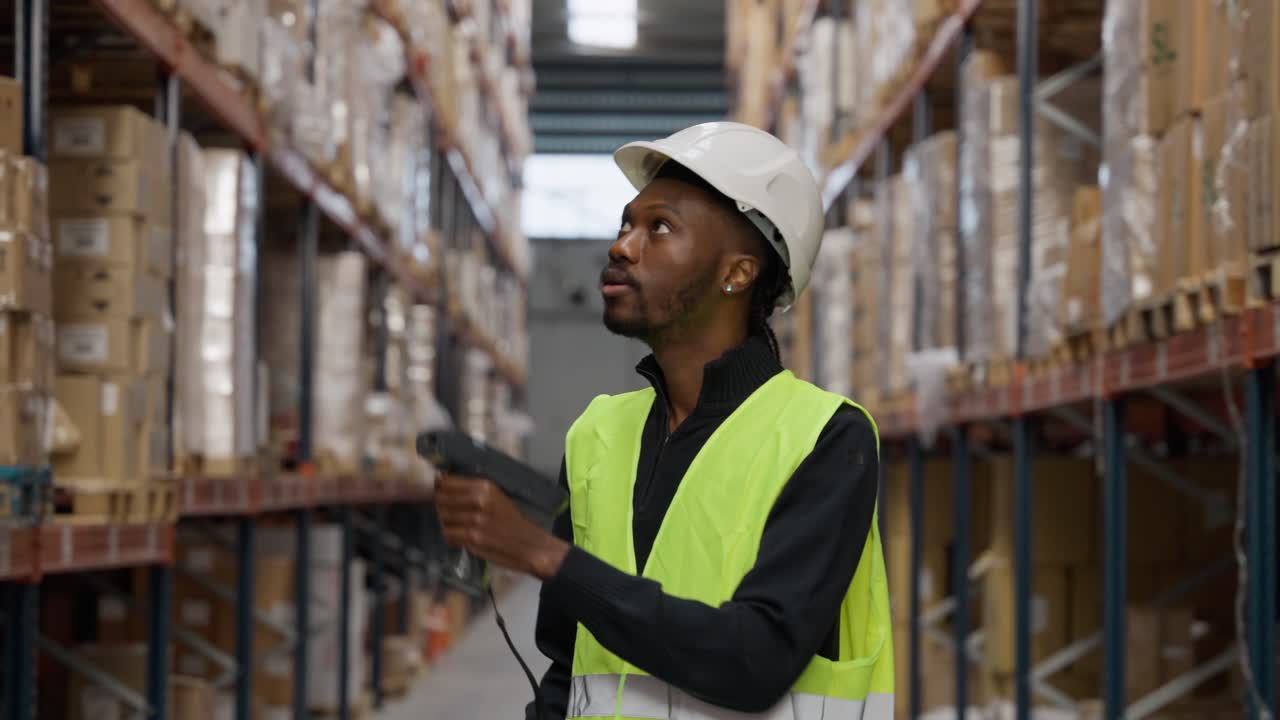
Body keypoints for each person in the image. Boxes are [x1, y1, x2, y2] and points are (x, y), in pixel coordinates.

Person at [434, 122, 893, 719]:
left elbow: (756, 659)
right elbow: (571, 666)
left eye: (660, 228)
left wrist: (545, 556)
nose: (621, 246)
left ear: (738, 272)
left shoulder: (827, 439)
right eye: (626, 223)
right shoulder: (597, 434)